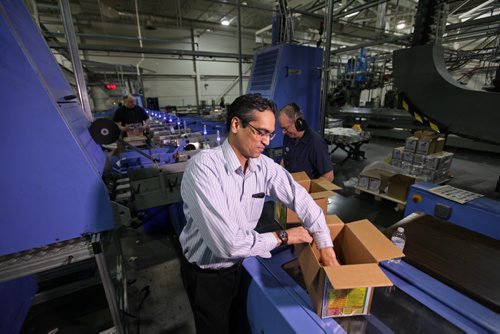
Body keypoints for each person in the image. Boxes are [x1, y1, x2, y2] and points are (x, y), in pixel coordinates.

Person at [179, 93, 339, 334]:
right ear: (236, 125)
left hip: (241, 266)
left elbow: (302, 200)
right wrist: (285, 236)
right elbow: (227, 245)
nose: (266, 141)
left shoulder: (263, 166)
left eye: (270, 134)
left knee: (240, 325)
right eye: (260, 132)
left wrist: (327, 251)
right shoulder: (203, 168)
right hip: (207, 275)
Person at [278, 103, 334, 181]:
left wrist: (309, 189)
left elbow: (329, 176)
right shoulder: (288, 136)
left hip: (305, 190)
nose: (283, 132)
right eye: (282, 128)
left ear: (298, 123)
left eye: (285, 128)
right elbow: (285, 159)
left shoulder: (316, 143)